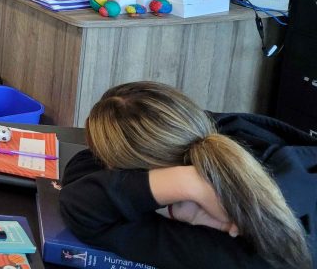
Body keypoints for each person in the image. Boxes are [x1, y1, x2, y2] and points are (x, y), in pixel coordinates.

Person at [60, 81, 314, 269]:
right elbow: (84, 163)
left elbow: (81, 208)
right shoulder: (230, 133)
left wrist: (185, 184)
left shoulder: (242, 252)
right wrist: (193, 183)